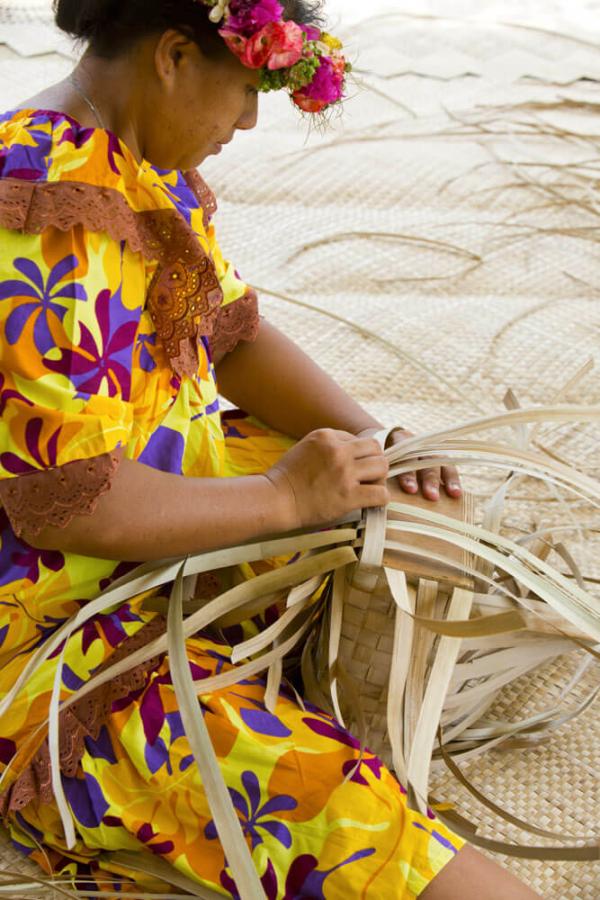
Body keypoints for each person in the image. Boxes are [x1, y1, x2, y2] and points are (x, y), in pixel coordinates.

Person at [0, 0, 540, 896]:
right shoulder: (45, 203)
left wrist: (373, 441)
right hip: (57, 623)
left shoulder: (138, 163)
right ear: (174, 55)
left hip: (160, 504)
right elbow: (73, 499)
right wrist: (289, 501)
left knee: (398, 509)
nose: (250, 121)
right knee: (319, 802)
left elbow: (234, 338)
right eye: (246, 90)